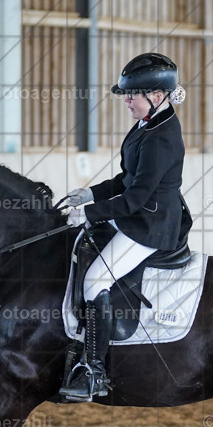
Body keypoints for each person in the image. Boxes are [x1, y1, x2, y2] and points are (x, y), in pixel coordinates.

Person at [59, 53, 192, 402]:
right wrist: (91, 193)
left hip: (151, 225)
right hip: (136, 213)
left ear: (158, 96)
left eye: (132, 95)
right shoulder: (147, 124)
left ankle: (94, 371)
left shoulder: (162, 137)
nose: (126, 101)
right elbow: (126, 179)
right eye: (126, 95)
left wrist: (91, 213)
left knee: (95, 281)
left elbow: (134, 199)